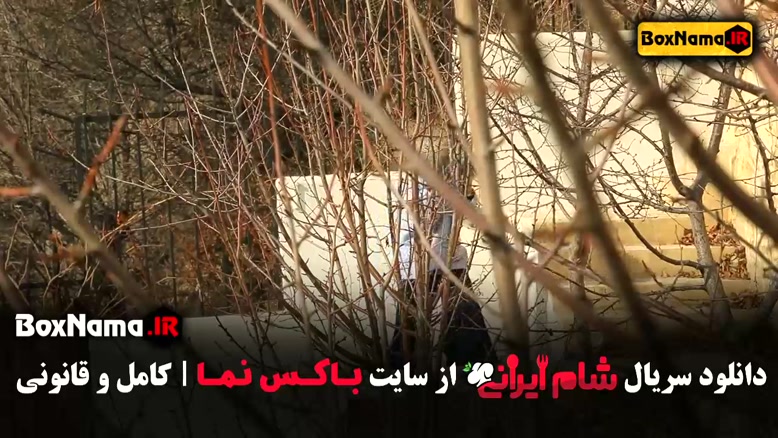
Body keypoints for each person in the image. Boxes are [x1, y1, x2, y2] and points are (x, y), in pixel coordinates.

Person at [388, 176, 497, 370]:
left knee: (466, 319)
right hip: (415, 264)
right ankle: (400, 371)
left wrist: (468, 196)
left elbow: (473, 222)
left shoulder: (455, 179)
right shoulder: (412, 184)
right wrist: (443, 195)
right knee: (408, 326)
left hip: (451, 260)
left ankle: (473, 369)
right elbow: (426, 224)